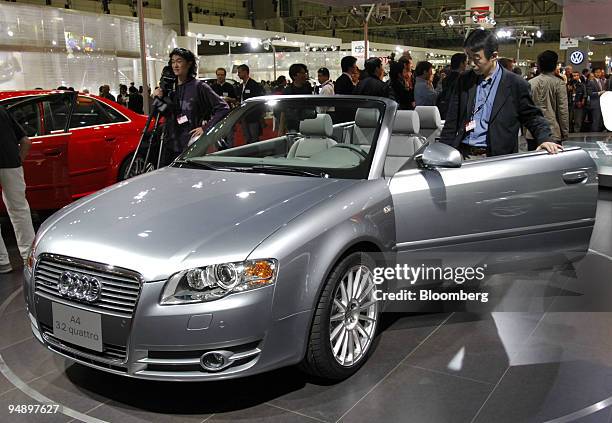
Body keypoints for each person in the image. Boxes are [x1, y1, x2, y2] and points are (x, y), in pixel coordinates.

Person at [440, 29, 560, 159]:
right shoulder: (464, 80)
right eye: (468, 57)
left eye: (476, 58)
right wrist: (442, 153)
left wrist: (545, 139)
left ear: (493, 56)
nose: (471, 64)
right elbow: (451, 121)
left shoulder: (515, 84)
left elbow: (532, 117)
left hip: (497, 157)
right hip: (463, 155)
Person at [154, 48, 229, 164]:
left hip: (191, 145)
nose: (175, 65)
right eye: (173, 62)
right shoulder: (170, 88)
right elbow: (166, 112)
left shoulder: (199, 87)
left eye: (179, 61)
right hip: (169, 144)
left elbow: (223, 108)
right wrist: (158, 99)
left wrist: (205, 128)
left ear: (189, 64)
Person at [0, 105, 35, 273]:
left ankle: (2, 261)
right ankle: (29, 256)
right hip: (11, 163)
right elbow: (26, 141)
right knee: (20, 210)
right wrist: (17, 161)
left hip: (11, 163)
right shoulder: (3, 110)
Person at [525, 50, 569, 150]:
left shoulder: (530, 83)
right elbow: (563, 110)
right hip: (552, 132)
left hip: (532, 133)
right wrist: (565, 132)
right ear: (555, 65)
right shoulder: (559, 83)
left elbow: (525, 109)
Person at [237, 64, 265, 143]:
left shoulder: (254, 85)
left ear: (245, 72)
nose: (238, 74)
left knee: (254, 136)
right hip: (243, 114)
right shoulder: (240, 86)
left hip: (253, 115)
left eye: (239, 72)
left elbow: (259, 100)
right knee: (246, 136)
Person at [437, 53, 466, 119]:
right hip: (456, 113)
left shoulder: (445, 79)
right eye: (466, 63)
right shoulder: (462, 79)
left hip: (445, 111)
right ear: (462, 64)